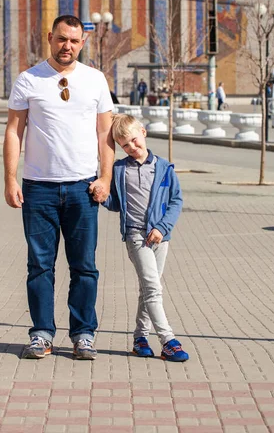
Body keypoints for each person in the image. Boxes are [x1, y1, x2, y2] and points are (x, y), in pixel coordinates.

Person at [4, 14, 114, 361]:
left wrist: (105, 178)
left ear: (83, 43)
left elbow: (105, 134)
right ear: (50, 37)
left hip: (83, 188)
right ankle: (41, 333)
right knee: (39, 265)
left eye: (74, 41)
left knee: (84, 266)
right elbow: (13, 131)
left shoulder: (95, 80)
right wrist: (10, 178)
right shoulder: (29, 79)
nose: (67, 46)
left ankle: (83, 334)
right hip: (39, 188)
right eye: (62, 39)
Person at [98, 114, 189, 362]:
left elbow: (176, 201)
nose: (132, 148)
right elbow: (116, 203)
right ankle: (168, 340)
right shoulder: (119, 170)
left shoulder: (164, 168)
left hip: (160, 237)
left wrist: (162, 227)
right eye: (125, 145)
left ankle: (140, 338)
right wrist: (101, 196)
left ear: (144, 133)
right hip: (135, 235)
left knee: (148, 289)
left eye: (135, 141)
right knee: (152, 287)